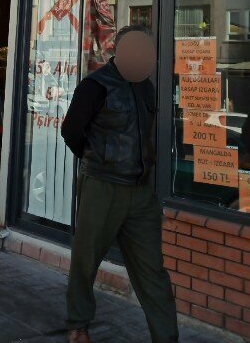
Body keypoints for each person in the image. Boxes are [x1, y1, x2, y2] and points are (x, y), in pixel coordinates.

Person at [61, 25, 178, 343]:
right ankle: (78, 325)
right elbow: (71, 130)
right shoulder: (95, 85)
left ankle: (166, 338)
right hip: (102, 187)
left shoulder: (145, 87)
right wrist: (97, 160)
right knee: (86, 260)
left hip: (141, 194)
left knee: (152, 271)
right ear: (119, 51)